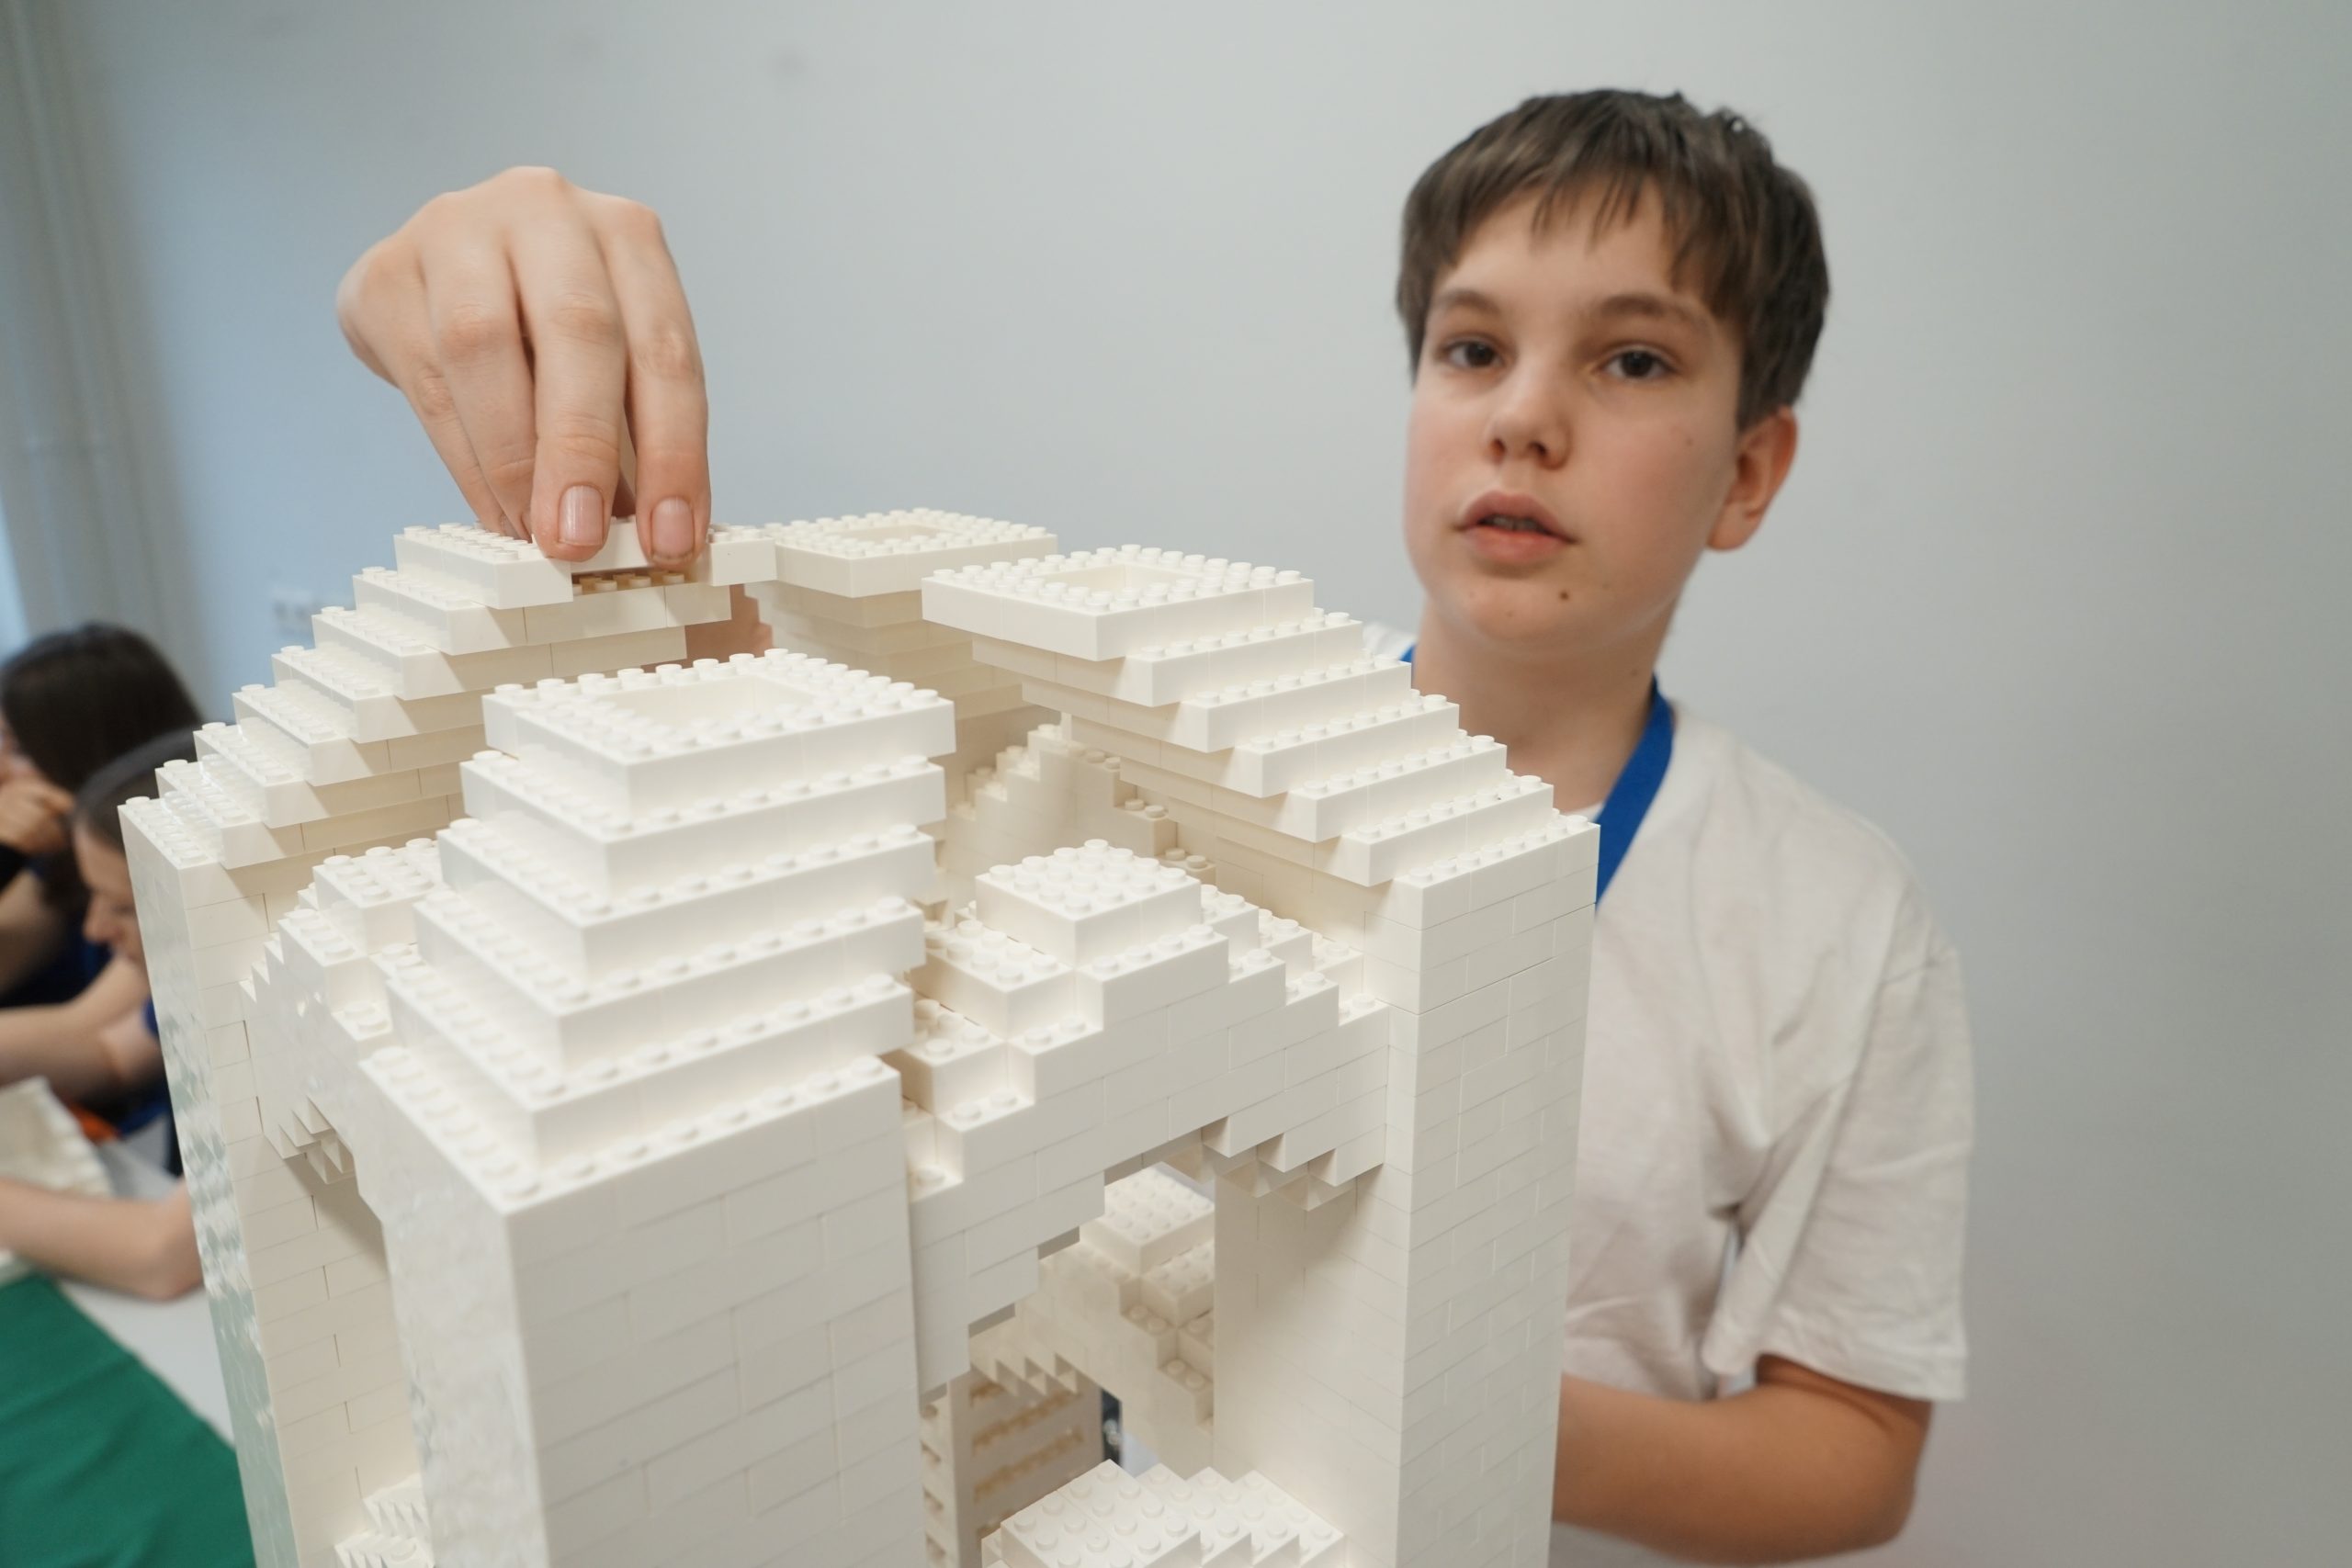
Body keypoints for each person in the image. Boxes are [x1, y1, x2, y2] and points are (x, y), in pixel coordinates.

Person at [333, 90, 1972, 1564]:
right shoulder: (1139, 757)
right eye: (1473, 348)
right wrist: (577, 423)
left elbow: (1852, 1448)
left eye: (1633, 360)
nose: (1524, 417)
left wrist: (1430, 1392)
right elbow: (796, 814)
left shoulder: (1833, 921)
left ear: (1749, 471)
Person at [0, 731, 202, 1301]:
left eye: (122, 907)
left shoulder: (292, 1016)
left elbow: (160, 1255)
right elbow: (113, 1055)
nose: (94, 930)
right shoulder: (197, 981)